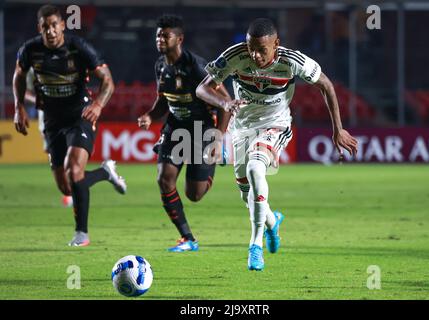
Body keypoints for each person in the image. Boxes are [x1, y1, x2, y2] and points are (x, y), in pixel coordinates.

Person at [196, 18, 358, 270]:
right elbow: (202, 89)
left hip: (276, 125)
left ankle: (255, 246)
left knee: (255, 169)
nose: (255, 55)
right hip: (241, 129)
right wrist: (225, 104)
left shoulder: (292, 61)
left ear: (276, 44)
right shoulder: (235, 56)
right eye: (251, 48)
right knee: (247, 194)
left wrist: (338, 129)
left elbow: (325, 85)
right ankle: (272, 222)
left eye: (262, 49)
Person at [13, 4, 127, 247]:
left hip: (80, 116)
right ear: (39, 28)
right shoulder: (30, 50)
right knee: (66, 187)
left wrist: (98, 104)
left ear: (63, 25)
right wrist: (19, 106)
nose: (51, 31)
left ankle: (82, 234)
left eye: (55, 25)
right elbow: (19, 76)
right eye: (46, 27)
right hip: (52, 121)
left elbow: (107, 80)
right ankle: (104, 172)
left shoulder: (78, 47)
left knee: (73, 169)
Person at [138, 15, 231, 252]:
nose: (160, 39)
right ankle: (188, 238)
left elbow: (226, 102)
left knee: (194, 194)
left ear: (179, 38)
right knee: (164, 178)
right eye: (158, 34)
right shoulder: (160, 65)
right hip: (175, 126)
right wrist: (150, 115)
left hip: (202, 129)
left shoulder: (197, 67)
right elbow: (163, 100)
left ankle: (213, 163)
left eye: (165, 35)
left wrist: (218, 139)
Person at [25, 67, 73, 207]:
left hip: (67, 113)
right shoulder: (32, 66)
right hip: (45, 116)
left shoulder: (65, 56)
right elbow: (26, 92)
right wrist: (38, 99)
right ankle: (68, 189)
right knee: (53, 154)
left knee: (69, 152)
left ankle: (71, 192)